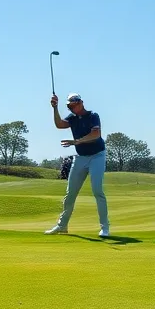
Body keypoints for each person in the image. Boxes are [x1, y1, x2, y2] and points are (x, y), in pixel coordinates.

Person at [45, 93, 110, 238]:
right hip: (81, 157)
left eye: (73, 105)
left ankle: (105, 228)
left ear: (81, 102)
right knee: (70, 194)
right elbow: (59, 124)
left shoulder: (93, 115)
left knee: (97, 191)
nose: (72, 108)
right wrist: (55, 108)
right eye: (69, 106)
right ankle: (62, 226)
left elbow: (96, 134)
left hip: (97, 156)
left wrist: (77, 141)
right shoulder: (72, 119)